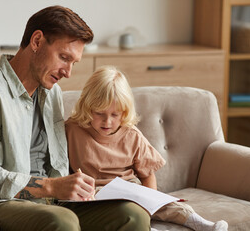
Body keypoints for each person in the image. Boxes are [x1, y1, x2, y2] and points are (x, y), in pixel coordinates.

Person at [0, 6, 151, 231]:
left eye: (74, 63)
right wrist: (52, 187)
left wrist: (77, 188)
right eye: (63, 57)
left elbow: (57, 165)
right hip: (0, 202)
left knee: (133, 215)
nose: (68, 72)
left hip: (52, 202)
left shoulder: (51, 93)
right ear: (37, 41)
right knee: (62, 221)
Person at [65, 65, 229, 231]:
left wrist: (150, 202)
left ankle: (202, 224)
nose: (107, 122)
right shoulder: (72, 129)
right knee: (123, 214)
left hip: (130, 188)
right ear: (87, 106)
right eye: (99, 113)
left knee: (168, 204)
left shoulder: (131, 134)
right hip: (93, 192)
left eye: (115, 115)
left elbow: (148, 176)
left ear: (124, 112)